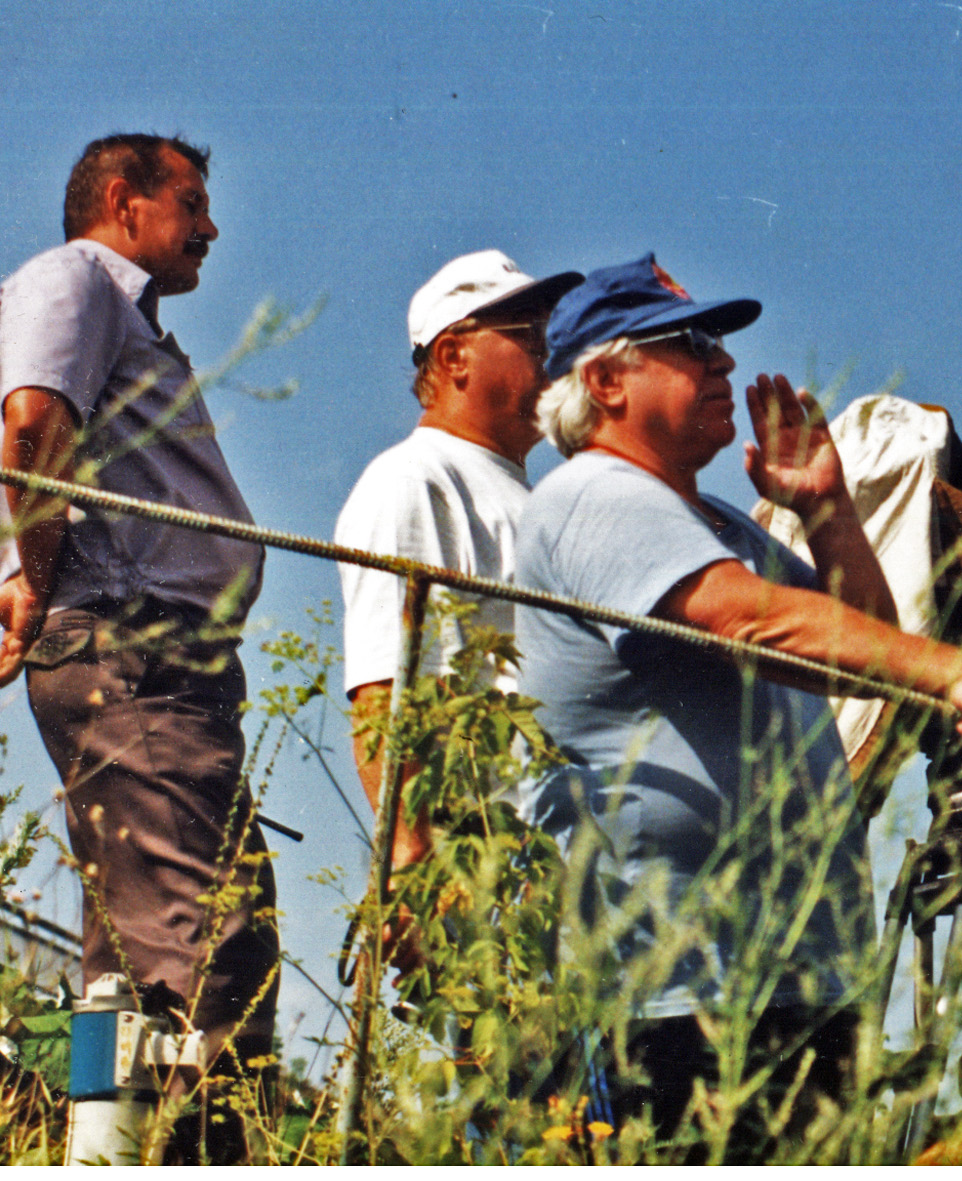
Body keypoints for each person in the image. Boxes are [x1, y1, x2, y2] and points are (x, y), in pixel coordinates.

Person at [514, 254, 962, 1159]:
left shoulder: (717, 522)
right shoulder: (594, 496)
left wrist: (829, 507)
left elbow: (867, 651)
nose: (723, 364)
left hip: (787, 983)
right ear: (604, 381)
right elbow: (750, 620)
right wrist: (959, 673)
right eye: (689, 344)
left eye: (720, 345)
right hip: (680, 993)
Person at [0, 134, 273, 1162]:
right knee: (208, 960)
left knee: (131, 984)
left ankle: (110, 1153)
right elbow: (31, 427)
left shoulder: (125, 319)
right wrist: (43, 575)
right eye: (191, 202)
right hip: (136, 655)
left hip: (156, 665)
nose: (209, 226)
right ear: (122, 201)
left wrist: (37, 577)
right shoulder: (75, 280)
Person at [335, 250, 579, 872]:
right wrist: (411, 859)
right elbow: (385, 686)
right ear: (453, 357)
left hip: (551, 858)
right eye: (531, 337)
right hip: (488, 862)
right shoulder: (416, 478)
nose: (555, 356)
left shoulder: (526, 497)